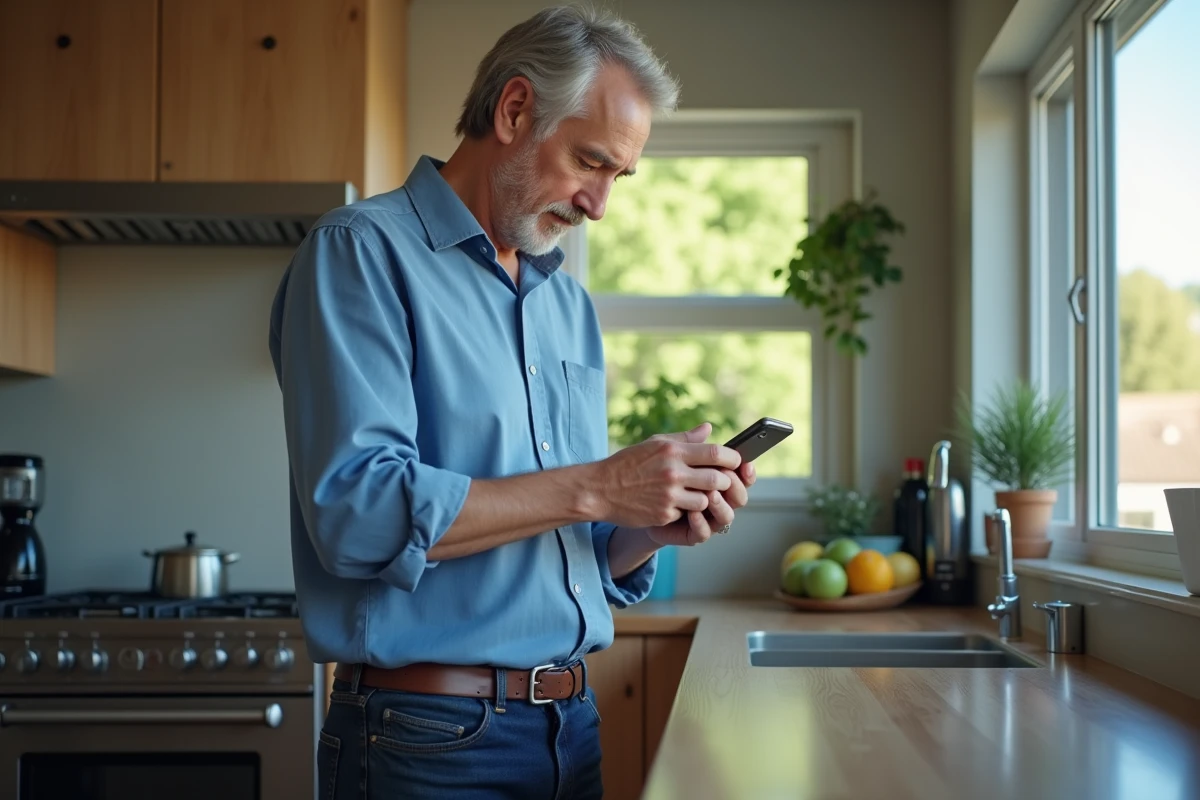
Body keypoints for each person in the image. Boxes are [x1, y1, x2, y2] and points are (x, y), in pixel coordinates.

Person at [268, 5, 756, 798]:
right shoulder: (361, 253)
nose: (600, 204)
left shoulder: (566, 306)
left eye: (618, 178)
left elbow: (562, 545)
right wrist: (600, 485)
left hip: (571, 729)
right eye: (590, 163)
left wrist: (641, 530)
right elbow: (355, 517)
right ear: (516, 108)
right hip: (423, 743)